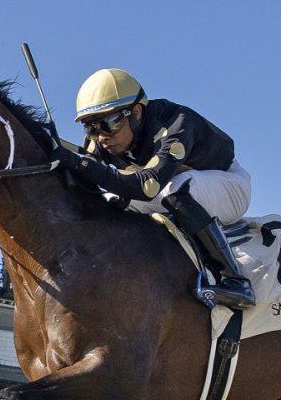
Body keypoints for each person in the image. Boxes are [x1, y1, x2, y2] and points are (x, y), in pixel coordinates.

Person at [51, 68, 255, 311]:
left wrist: (80, 163)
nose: (101, 136)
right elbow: (91, 183)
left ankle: (235, 281)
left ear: (136, 112)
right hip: (170, 189)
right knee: (110, 201)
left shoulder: (177, 122)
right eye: (90, 127)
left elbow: (149, 186)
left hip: (228, 185)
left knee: (177, 189)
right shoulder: (101, 140)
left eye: (109, 123)